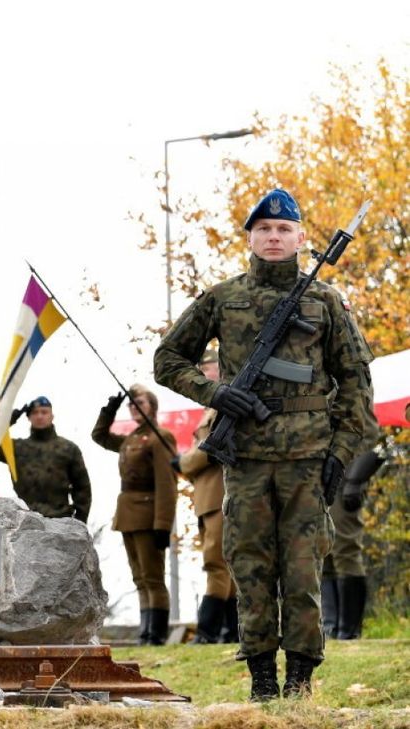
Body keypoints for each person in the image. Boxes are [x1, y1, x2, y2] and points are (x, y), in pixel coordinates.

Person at [154, 189, 377, 700]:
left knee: (302, 573)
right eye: (263, 230)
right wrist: (217, 393)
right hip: (247, 461)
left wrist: (341, 453)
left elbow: (356, 383)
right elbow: (167, 359)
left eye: (283, 229)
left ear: (301, 238)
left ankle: (299, 680)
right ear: (250, 238)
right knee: (250, 569)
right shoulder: (222, 298)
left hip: (307, 461)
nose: (273, 237)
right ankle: (261, 682)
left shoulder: (325, 302)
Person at [92, 384, 178, 646]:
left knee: (152, 576)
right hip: (128, 513)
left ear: (152, 406)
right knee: (139, 577)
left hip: (149, 513)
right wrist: (110, 410)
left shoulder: (159, 437)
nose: (134, 406)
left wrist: (163, 524)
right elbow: (99, 436)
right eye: (131, 403)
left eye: (140, 401)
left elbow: (167, 483)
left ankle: (157, 633)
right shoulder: (131, 439)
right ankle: (145, 631)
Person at [174, 350, 238, 644]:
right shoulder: (210, 408)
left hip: (219, 495)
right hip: (208, 496)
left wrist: (184, 463)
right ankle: (231, 631)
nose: (200, 373)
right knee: (224, 563)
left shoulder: (222, 406)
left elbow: (209, 449)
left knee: (217, 562)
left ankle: (208, 631)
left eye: (207, 367)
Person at [0, 396, 92, 522]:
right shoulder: (16, 448)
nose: (39, 416)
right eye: (35, 412)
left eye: (44, 412)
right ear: (29, 417)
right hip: (25, 520)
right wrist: (7, 420)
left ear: (52, 416)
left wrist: (79, 521)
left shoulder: (68, 448)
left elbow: (82, 487)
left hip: (60, 520)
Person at [321, 448, 383, 640]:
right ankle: (331, 626)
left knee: (345, 550)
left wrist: (355, 480)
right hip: (318, 475)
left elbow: (370, 437)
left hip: (344, 475)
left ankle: (349, 629)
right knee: (324, 550)